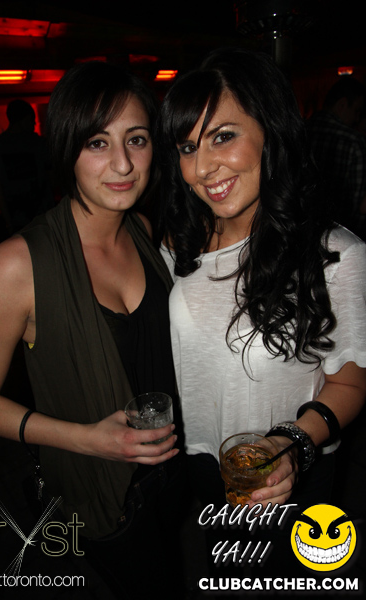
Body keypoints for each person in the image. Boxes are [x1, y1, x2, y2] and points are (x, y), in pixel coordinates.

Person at [0, 62, 188, 600]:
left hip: (176, 468)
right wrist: (88, 440)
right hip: (101, 492)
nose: (123, 163)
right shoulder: (16, 265)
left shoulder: (142, 229)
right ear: (67, 149)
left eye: (136, 139)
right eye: (97, 143)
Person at [156, 47, 366, 580]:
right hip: (204, 464)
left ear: (270, 130)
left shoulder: (335, 255)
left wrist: (290, 444)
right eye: (187, 147)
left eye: (223, 136)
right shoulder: (178, 245)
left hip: (292, 474)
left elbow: (350, 383)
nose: (203, 168)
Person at [306, 77, 366, 236]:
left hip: (302, 232)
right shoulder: (353, 142)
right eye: (357, 111)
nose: (357, 118)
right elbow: (359, 211)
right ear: (342, 104)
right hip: (342, 236)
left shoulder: (299, 132)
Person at [0, 99, 54, 236]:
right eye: (32, 120)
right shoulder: (37, 144)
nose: (34, 124)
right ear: (23, 120)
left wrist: (8, 222)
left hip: (34, 216)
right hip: (29, 217)